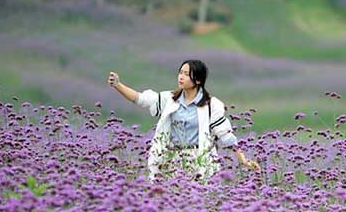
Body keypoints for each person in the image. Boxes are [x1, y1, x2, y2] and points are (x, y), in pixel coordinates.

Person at [108, 59, 260, 182]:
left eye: (187, 74)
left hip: (199, 160)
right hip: (171, 160)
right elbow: (140, 99)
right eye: (180, 72)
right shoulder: (169, 99)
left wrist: (243, 160)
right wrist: (118, 85)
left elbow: (226, 135)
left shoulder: (211, 105)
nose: (181, 77)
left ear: (198, 80)